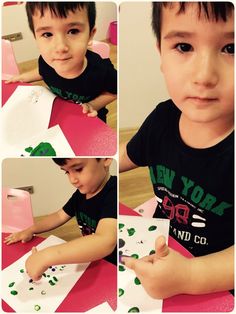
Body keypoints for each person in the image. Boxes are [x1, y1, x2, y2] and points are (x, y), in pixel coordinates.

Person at [120, 2, 234, 299]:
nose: (204, 75)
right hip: (162, 249)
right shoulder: (162, 118)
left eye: (232, 48)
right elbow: (124, 157)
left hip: (217, 282)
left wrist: (189, 276)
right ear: (160, 53)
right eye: (184, 46)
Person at [4, 158, 117, 281]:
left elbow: (105, 241)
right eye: (67, 172)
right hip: (93, 258)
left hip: (114, 263)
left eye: (78, 169)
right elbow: (60, 215)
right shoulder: (82, 193)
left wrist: (46, 256)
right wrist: (31, 230)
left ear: (106, 159)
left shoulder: (113, 193)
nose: (72, 180)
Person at [6, 2, 117, 122]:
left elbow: (114, 91)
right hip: (60, 115)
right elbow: (42, 71)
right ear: (36, 39)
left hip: (90, 120)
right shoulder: (45, 61)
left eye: (73, 31)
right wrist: (23, 77)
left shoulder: (102, 70)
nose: (60, 47)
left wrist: (92, 105)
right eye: (47, 34)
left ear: (90, 35)